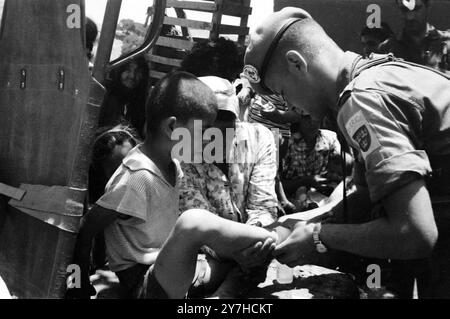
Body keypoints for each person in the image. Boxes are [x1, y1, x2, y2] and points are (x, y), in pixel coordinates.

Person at [242, 6, 450, 298]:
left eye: (284, 93)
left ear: (296, 64)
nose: (291, 108)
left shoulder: (362, 101)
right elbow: (367, 195)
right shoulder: (374, 76)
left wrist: (318, 237)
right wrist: (306, 223)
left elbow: (414, 233)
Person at [68, 71, 218, 298]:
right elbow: (86, 229)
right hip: (143, 277)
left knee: (231, 261)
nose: (208, 138)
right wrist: (77, 286)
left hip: (166, 265)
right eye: (203, 130)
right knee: (200, 227)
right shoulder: (136, 178)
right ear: (172, 127)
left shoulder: (173, 166)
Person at [179, 76, 279, 272]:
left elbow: (263, 206)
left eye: (227, 130)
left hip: (256, 245)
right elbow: (200, 227)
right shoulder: (182, 155)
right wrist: (236, 252)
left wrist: (255, 246)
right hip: (208, 258)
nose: (215, 140)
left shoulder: (260, 138)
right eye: (206, 130)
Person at [281, 112, 351, 201]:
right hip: (292, 199)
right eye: (307, 118)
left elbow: (342, 166)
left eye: (316, 117)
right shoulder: (286, 143)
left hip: (324, 197)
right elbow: (275, 184)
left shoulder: (330, 138)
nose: (312, 122)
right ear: (299, 119)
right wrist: (304, 182)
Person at [378, 0, 450, 73]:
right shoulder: (387, 49)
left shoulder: (447, 43)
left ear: (428, 5)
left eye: (416, 9)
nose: (410, 17)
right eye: (404, 10)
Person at [98, 56, 149, 137]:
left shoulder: (143, 103)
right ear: (119, 71)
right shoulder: (105, 95)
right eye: (128, 70)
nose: (132, 76)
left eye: (138, 71)